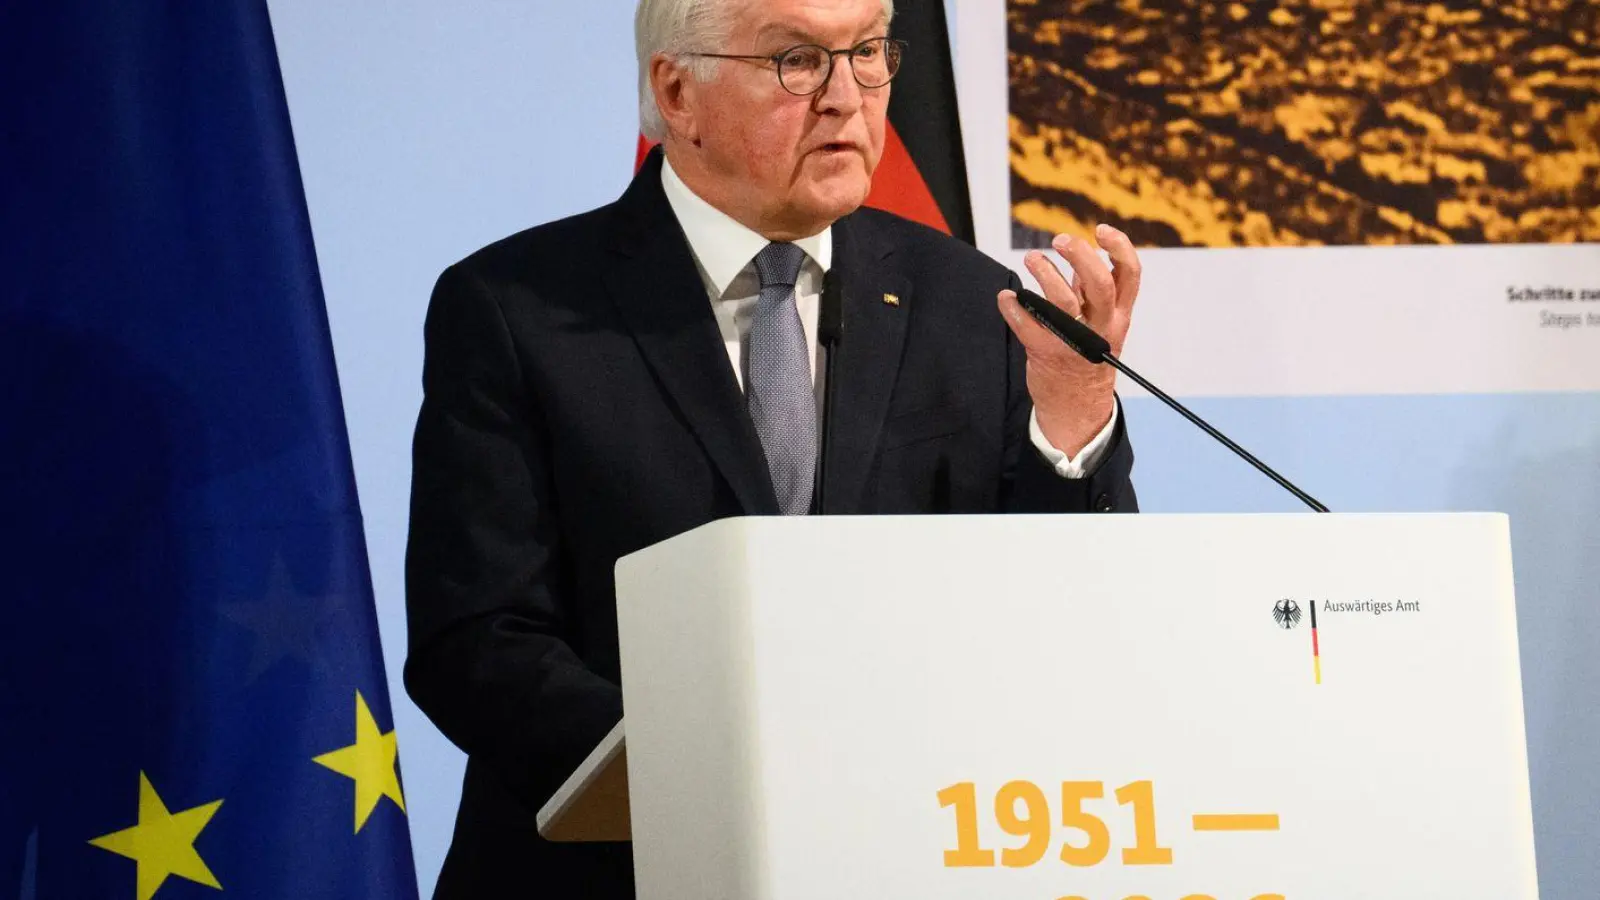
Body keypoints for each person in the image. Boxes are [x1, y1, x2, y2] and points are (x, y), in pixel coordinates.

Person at [404, 0, 1144, 895]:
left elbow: (1061, 612)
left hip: (899, 863)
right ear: (677, 92)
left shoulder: (975, 303)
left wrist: (1074, 415)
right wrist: (706, 775)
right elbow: (476, 634)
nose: (846, 96)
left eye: (866, 51)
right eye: (797, 59)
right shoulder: (519, 310)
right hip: (614, 868)